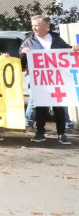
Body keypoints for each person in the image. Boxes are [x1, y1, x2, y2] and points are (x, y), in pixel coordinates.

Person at [20, 15, 78, 145]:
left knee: (59, 106)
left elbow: (66, 51)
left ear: (46, 26)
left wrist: (73, 49)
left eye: (36, 25)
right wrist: (23, 53)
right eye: (33, 25)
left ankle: (61, 133)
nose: (33, 28)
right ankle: (40, 133)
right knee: (41, 106)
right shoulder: (29, 40)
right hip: (39, 80)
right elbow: (22, 61)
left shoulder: (56, 39)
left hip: (56, 79)